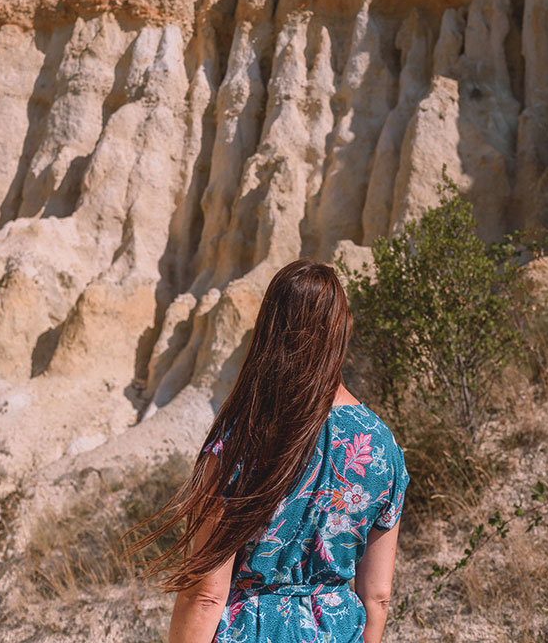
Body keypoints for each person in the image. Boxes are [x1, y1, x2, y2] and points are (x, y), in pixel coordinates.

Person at [131, 259, 411, 643]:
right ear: (342, 333)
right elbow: (377, 597)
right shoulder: (382, 446)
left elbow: (206, 595)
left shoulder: (244, 438)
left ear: (270, 331)